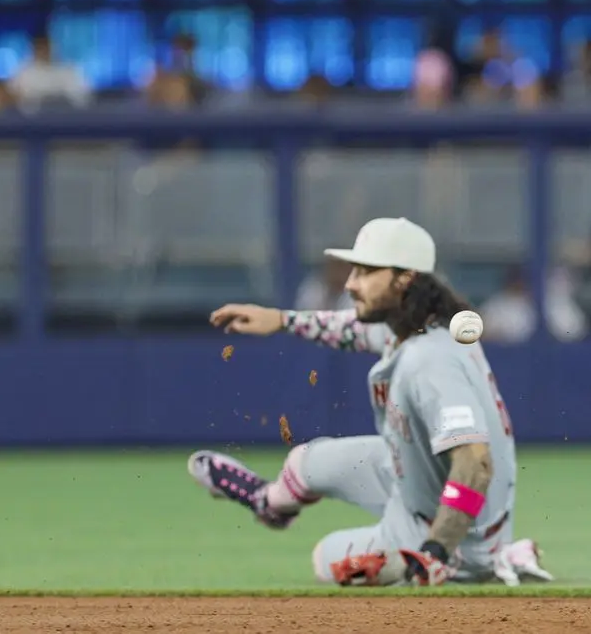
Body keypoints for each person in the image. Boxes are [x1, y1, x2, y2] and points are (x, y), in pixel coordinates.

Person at [186, 217, 553, 587]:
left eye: (365, 271)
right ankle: (268, 503)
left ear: (405, 278)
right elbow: (353, 329)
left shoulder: (431, 360)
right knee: (305, 463)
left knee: (323, 559)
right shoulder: (416, 324)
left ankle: (485, 562)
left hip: (450, 531)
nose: (350, 283)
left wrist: (435, 551)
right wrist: (281, 320)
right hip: (418, 477)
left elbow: (475, 463)